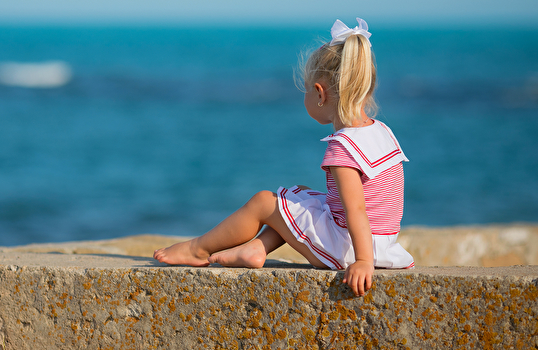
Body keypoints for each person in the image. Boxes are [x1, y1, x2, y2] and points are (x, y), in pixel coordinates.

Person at [153, 18, 414, 296]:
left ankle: (198, 249)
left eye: (306, 89)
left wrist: (363, 262)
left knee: (264, 202)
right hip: (382, 242)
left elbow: (357, 210)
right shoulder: (382, 131)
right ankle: (257, 248)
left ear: (319, 93)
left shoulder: (343, 147)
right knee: (298, 195)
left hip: (350, 248)